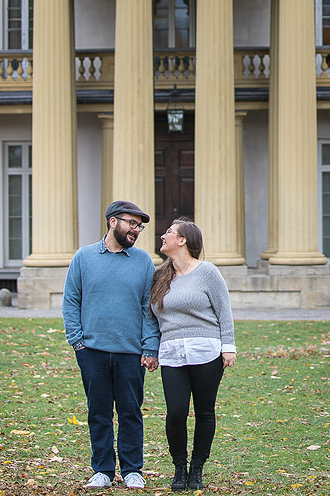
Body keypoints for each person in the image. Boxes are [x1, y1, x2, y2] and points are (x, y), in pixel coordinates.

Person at [62, 200, 160, 490]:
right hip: (92, 352)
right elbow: (71, 300)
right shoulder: (84, 257)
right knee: (99, 413)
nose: (136, 230)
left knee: (131, 412)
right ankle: (102, 470)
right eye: (132, 223)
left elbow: (148, 308)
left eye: (139, 226)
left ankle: (132, 470)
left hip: (131, 352)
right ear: (113, 222)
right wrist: (77, 342)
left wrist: (150, 346)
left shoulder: (143, 261)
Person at [150, 217, 237, 491]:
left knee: (204, 411)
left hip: (206, 350)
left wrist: (228, 346)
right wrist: (150, 348)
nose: (163, 236)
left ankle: (197, 467)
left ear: (183, 240)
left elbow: (224, 310)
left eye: (169, 232)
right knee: (176, 412)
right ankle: (179, 466)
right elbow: (151, 316)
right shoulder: (160, 276)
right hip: (171, 352)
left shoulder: (207, 272)